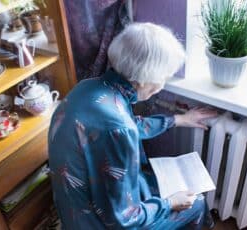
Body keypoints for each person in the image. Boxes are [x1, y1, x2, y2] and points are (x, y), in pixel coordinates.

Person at [48, 22, 217, 229]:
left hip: (72, 208)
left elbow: (126, 126)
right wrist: (170, 203)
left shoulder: (89, 87)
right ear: (146, 80)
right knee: (197, 202)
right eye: (164, 77)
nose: (163, 84)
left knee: (150, 180)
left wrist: (179, 119)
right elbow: (124, 219)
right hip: (96, 223)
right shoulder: (118, 127)